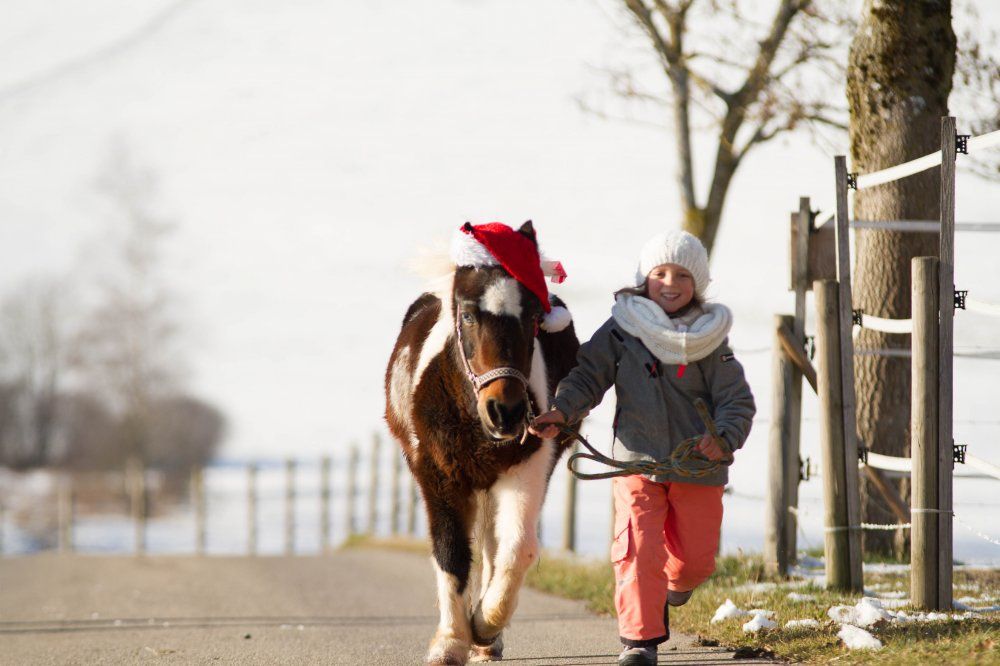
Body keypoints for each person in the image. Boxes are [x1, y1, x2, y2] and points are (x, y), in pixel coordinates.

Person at [529, 230, 755, 666]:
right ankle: (639, 643)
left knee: (693, 563)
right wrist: (562, 410)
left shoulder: (709, 338)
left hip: (697, 467)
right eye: (660, 273)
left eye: (682, 275)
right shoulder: (621, 330)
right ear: (643, 278)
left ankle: (674, 586)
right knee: (637, 548)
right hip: (635, 462)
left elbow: (736, 400)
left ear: (698, 283)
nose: (670, 283)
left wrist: (723, 436)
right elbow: (587, 376)